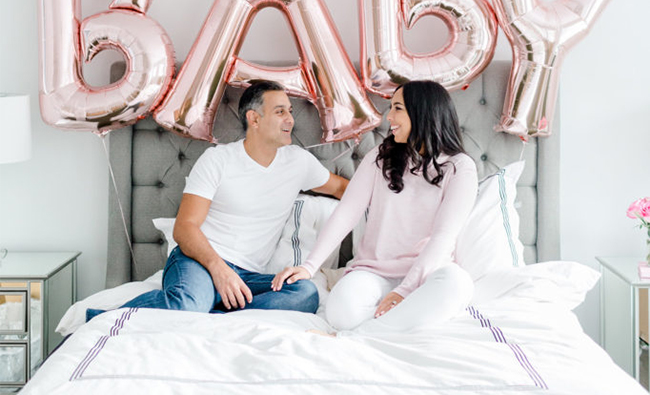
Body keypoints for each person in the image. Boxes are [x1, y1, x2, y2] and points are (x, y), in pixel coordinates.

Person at [88, 81, 348, 320]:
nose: (290, 119)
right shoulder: (218, 160)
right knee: (187, 305)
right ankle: (104, 318)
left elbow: (341, 189)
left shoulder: (299, 162)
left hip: (249, 276)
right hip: (198, 262)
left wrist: (375, 193)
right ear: (254, 119)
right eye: (280, 112)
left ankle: (211, 312)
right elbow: (184, 228)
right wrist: (219, 270)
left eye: (290, 111)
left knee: (305, 294)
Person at [272, 80, 477, 335]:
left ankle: (355, 337)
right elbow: (346, 213)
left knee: (458, 284)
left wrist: (404, 291)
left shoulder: (460, 167)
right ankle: (392, 327)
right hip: (373, 272)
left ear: (422, 112)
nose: (389, 117)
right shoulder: (380, 157)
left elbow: (443, 237)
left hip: (427, 275)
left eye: (398, 108)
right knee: (340, 311)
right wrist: (309, 266)